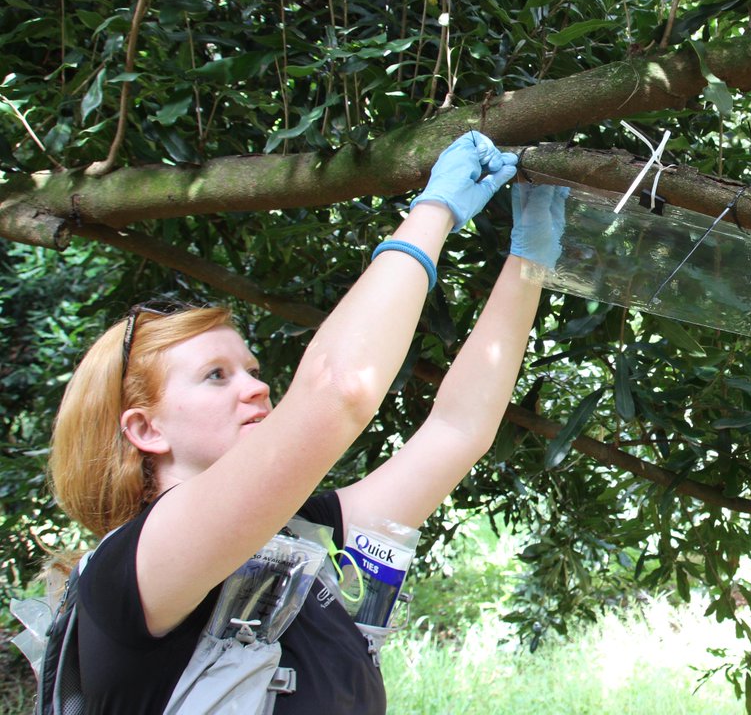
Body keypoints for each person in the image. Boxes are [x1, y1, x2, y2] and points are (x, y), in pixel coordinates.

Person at [45, 131, 569, 713]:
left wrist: (529, 263)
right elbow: (338, 389)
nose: (258, 386)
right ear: (146, 430)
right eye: (216, 376)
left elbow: (457, 431)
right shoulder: (135, 568)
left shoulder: (301, 538)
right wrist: (433, 211)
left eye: (250, 368)